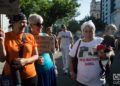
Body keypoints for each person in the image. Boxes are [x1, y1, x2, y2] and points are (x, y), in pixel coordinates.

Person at [0, 13, 39, 86]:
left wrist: (25, 61)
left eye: (26, 22)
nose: (25, 24)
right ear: (13, 23)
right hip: (10, 76)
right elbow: (2, 59)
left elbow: (36, 55)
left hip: (30, 77)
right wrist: (1, 42)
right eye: (22, 22)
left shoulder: (30, 37)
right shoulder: (5, 36)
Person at [69, 20, 103, 86]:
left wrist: (102, 53)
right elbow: (71, 57)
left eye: (91, 31)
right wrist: (71, 71)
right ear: (82, 32)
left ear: (94, 31)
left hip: (97, 81)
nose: (88, 33)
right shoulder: (78, 43)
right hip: (81, 80)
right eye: (86, 31)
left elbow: (110, 54)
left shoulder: (100, 41)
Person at [28, 13, 56, 86]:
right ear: (31, 25)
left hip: (50, 68)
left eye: (41, 24)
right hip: (38, 72)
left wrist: (54, 66)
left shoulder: (45, 36)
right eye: (38, 24)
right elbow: (26, 56)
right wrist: (36, 60)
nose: (41, 26)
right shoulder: (27, 38)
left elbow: (51, 53)